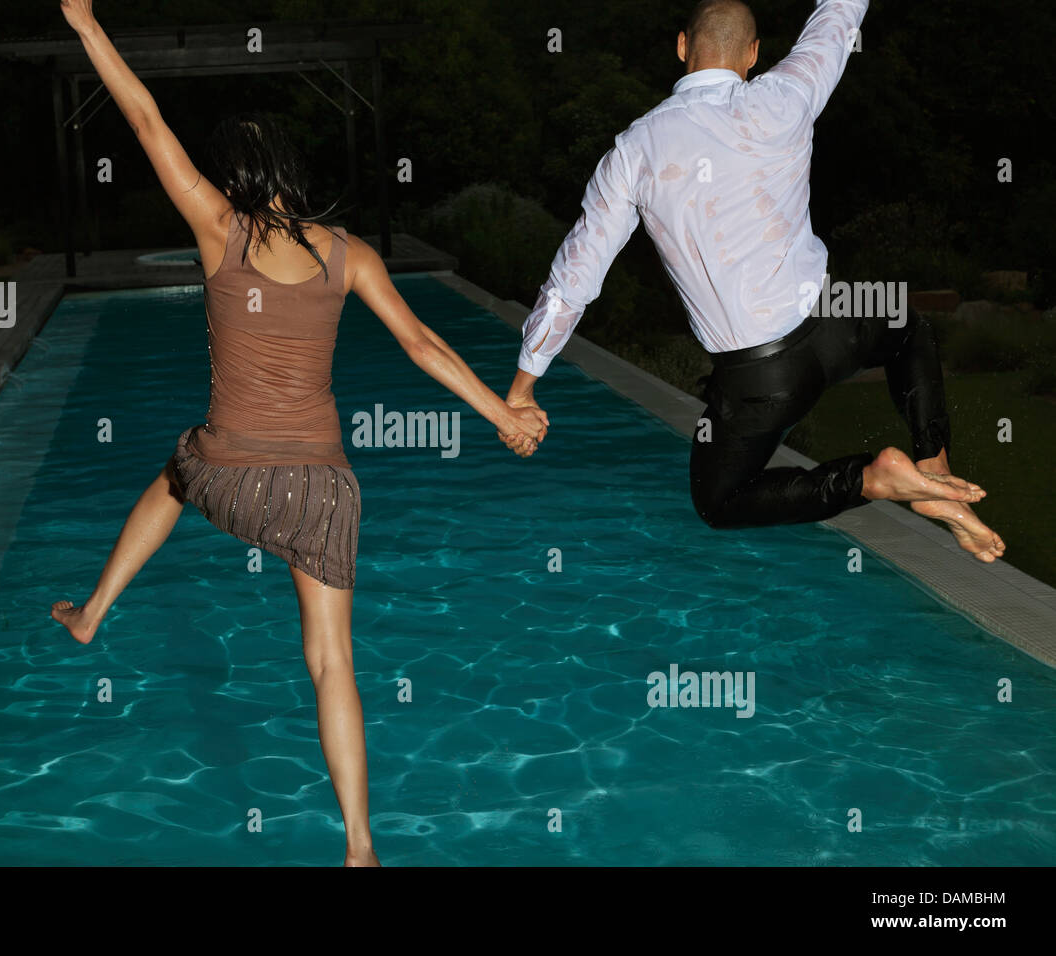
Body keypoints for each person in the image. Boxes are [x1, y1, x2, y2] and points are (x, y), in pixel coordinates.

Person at [49, 0, 549, 867]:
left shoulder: (218, 230)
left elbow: (142, 118)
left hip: (229, 475)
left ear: (237, 179)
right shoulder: (348, 252)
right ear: (290, 171)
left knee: (176, 470)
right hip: (323, 494)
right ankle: (360, 847)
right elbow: (423, 345)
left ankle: (94, 611)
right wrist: (502, 412)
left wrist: (89, 28)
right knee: (331, 664)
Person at [504, 0, 1005, 562]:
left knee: (720, 501)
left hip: (760, 376)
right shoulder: (784, 95)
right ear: (752, 54)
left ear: (680, 47)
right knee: (906, 323)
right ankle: (933, 463)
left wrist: (524, 387)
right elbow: (837, 18)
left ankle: (876, 480)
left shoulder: (634, 150)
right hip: (834, 317)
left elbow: (577, 273)